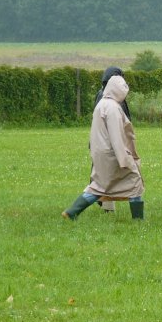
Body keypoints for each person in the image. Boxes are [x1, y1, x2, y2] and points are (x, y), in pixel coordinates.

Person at [62, 75, 144, 220]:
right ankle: (138, 220)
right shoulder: (113, 108)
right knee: (135, 181)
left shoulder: (102, 104)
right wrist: (124, 159)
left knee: (100, 185)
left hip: (101, 153)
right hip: (113, 155)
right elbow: (116, 136)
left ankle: (71, 212)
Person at [93, 66, 131, 213]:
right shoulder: (113, 98)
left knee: (102, 176)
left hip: (100, 142)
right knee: (131, 176)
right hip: (111, 143)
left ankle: (106, 206)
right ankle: (108, 207)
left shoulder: (101, 94)